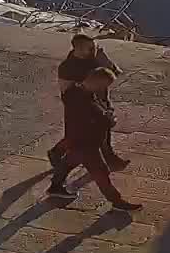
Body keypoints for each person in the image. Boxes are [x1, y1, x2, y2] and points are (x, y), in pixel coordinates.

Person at [45, 68, 141, 210]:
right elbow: (96, 118)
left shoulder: (77, 93)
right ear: (96, 82)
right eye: (104, 85)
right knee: (100, 172)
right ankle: (117, 202)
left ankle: (55, 187)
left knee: (69, 162)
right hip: (86, 142)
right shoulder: (83, 99)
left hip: (79, 140)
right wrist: (108, 120)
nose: (105, 88)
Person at [49, 34, 129, 170]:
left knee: (104, 127)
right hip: (80, 104)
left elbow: (113, 72)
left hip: (101, 98)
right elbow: (66, 90)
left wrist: (105, 61)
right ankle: (57, 153)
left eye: (94, 46)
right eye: (90, 48)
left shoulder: (95, 57)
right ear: (78, 48)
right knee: (76, 135)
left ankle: (109, 158)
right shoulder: (68, 66)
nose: (94, 49)